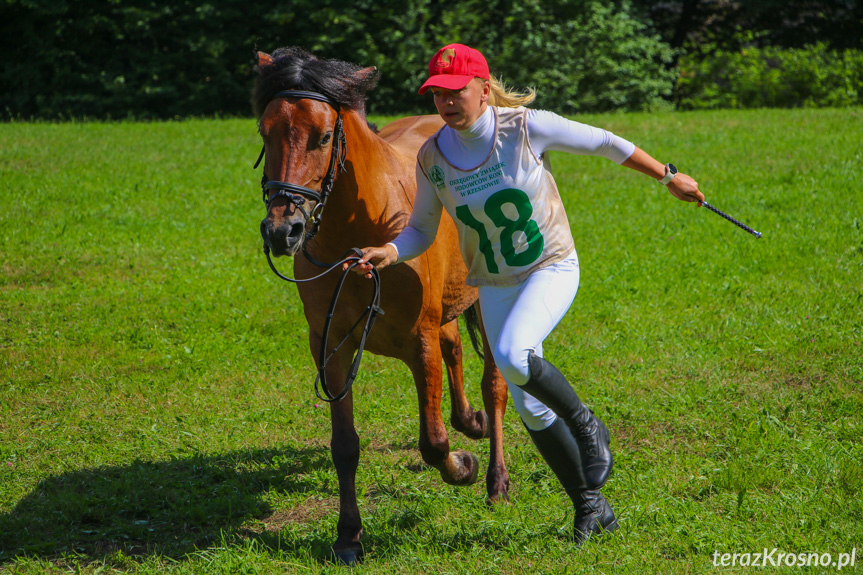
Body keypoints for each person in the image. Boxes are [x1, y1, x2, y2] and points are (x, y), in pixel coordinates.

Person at [349, 43, 704, 544]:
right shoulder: (431, 155)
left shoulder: (524, 126)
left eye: (456, 92)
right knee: (529, 405)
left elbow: (604, 141)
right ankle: (590, 506)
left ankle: (586, 426)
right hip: (494, 284)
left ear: (483, 87)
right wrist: (388, 251)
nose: (446, 103)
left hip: (550, 266)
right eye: (437, 94)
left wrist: (667, 175)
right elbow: (422, 231)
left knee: (515, 356)